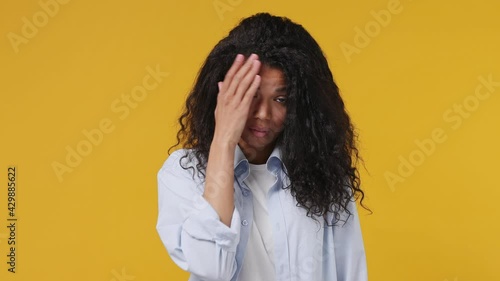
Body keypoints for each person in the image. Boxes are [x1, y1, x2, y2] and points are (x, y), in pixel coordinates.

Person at [156, 12, 369, 281]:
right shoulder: (184, 173)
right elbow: (211, 266)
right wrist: (223, 140)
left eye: (280, 99)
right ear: (223, 95)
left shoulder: (322, 174)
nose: (263, 114)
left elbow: (350, 272)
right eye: (250, 96)